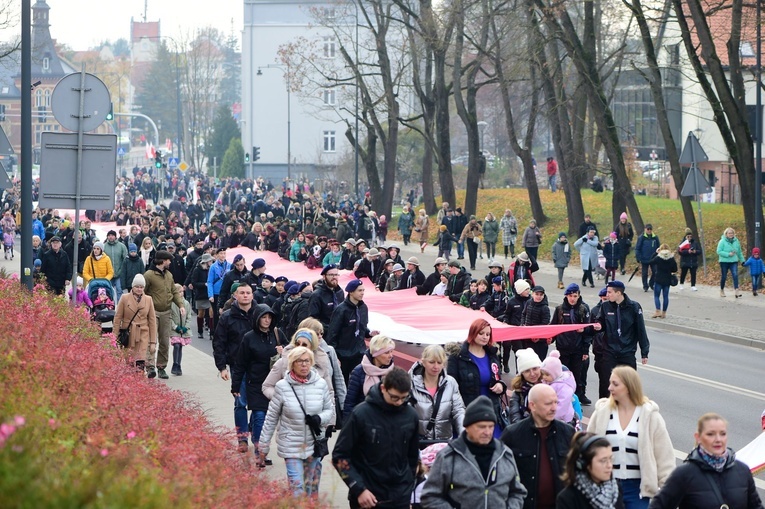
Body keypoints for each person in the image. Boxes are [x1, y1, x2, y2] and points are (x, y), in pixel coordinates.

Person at [587, 365, 675, 509]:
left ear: (629, 387)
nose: (609, 388)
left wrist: (668, 491)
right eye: (610, 383)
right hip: (605, 485)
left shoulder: (650, 416)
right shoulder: (602, 413)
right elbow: (587, 448)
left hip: (638, 489)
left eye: (615, 384)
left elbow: (664, 457)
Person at [332, 367, 420, 509]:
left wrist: (408, 486)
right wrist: (358, 489)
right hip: (367, 497)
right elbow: (340, 456)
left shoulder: (411, 416)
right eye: (394, 397)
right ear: (383, 388)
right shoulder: (361, 414)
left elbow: (412, 457)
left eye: (404, 398)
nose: (399, 402)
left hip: (400, 497)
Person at [420, 395, 527, 508]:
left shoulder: (505, 454)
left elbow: (517, 492)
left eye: (491, 427)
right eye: (481, 427)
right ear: (467, 427)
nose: (487, 432)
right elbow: (430, 496)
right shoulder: (448, 456)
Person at [256, 346, 334, 497]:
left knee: (309, 487)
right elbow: (271, 418)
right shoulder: (282, 387)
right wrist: (263, 448)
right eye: (299, 361)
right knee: (297, 488)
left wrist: (319, 418)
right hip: (291, 445)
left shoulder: (320, 384)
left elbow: (329, 410)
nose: (304, 365)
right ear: (292, 364)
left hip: (313, 444)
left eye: (307, 361)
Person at [649, 413, 764, 509]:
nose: (718, 439)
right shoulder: (684, 474)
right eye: (711, 434)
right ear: (698, 437)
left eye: (722, 434)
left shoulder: (742, 471)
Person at [501, 384, 576, 509]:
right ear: (532, 405)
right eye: (548, 404)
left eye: (555, 402)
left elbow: (578, 472)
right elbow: (500, 475)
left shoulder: (567, 432)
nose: (554, 408)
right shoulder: (513, 434)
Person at [231, 304, 284, 465]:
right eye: (264, 317)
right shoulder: (249, 338)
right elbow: (240, 363)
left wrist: (284, 352)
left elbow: (293, 354)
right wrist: (236, 386)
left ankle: (257, 441)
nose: (267, 321)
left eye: (269, 317)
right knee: (260, 416)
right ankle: (260, 453)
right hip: (255, 383)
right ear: (257, 318)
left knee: (265, 418)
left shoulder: (277, 334)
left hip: (275, 383)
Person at [214, 283, 258, 453]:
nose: (245, 296)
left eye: (248, 293)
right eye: (242, 293)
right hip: (237, 366)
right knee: (240, 402)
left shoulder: (261, 313)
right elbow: (219, 342)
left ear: (252, 295)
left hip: (259, 366)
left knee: (260, 405)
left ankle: (253, 428)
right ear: (235, 296)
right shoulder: (227, 317)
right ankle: (242, 439)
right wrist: (222, 367)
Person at [447, 318, 507, 438]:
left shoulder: (492, 354)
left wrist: (501, 385)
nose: (485, 337)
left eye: (488, 334)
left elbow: (497, 377)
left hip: (491, 410)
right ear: (473, 332)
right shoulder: (457, 356)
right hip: (468, 411)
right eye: (481, 333)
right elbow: (451, 385)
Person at [592, 281, 649, 399]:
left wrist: (644, 351)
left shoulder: (633, 307)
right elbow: (600, 321)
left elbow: (641, 330)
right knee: (606, 384)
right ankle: (605, 410)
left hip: (627, 352)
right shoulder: (605, 306)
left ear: (618, 293)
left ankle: (627, 410)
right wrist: (598, 326)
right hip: (609, 352)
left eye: (610, 292)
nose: (607, 295)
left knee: (628, 384)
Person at [143, 250, 186, 380]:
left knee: (164, 341)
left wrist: (181, 305)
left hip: (166, 312)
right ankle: (150, 366)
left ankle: (161, 367)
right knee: (152, 340)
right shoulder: (149, 275)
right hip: (152, 312)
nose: (170, 262)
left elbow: (174, 291)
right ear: (162, 261)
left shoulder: (169, 275)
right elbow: (142, 292)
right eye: (168, 260)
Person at [409, 344, 465, 442]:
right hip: (419, 443)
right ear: (423, 362)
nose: (436, 366)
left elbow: (458, 411)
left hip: (444, 442)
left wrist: (464, 432)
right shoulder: (411, 383)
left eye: (439, 362)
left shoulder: (451, 383)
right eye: (431, 362)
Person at [557, 433, 625, 509]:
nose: (609, 465)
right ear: (585, 464)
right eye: (603, 461)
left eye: (611, 459)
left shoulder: (615, 489)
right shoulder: (568, 498)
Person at [551, 283, 593, 405]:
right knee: (563, 375)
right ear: (566, 296)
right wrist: (550, 338)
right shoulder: (559, 309)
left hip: (578, 348)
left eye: (575, 296)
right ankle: (563, 397)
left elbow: (588, 331)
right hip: (563, 347)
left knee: (577, 375)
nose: (572, 298)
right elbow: (554, 326)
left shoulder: (583, 309)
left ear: (579, 296)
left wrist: (585, 349)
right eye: (570, 296)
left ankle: (578, 397)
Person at [327, 279, 374, 384]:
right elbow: (332, 333)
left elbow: (361, 327)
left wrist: (369, 333)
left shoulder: (363, 308)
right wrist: (334, 356)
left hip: (359, 353)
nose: (362, 293)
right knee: (343, 382)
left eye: (363, 290)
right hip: (343, 354)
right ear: (351, 292)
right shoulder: (341, 310)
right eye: (359, 290)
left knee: (358, 382)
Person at [343, 334, 396, 416]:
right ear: (376, 353)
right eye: (386, 352)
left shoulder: (394, 372)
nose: (391, 356)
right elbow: (350, 403)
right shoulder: (359, 371)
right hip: (363, 421)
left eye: (391, 351)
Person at [114, 273, 157, 373]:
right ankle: (131, 383)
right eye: (137, 286)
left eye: (141, 287)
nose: (139, 289)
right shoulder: (124, 298)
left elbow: (152, 321)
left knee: (140, 361)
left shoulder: (148, 299)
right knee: (129, 362)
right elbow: (117, 318)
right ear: (132, 287)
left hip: (143, 334)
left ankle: (140, 381)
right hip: (128, 334)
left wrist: (153, 342)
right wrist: (114, 337)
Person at [506, 347, 543, 424]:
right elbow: (515, 416)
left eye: (535, 368)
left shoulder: (550, 385)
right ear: (522, 373)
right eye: (527, 371)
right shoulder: (518, 392)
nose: (532, 374)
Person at [502, 279, 532, 372]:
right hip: (516, 332)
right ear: (520, 291)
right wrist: (505, 322)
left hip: (527, 332)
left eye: (528, 289)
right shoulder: (512, 302)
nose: (528, 291)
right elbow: (507, 315)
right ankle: (518, 372)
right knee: (519, 353)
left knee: (527, 353)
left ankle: (525, 372)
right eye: (526, 289)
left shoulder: (531, 301)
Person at [541, 350, 576, 423]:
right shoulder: (549, 382)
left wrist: (552, 417)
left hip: (562, 419)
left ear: (555, 374)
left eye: (547, 375)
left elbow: (562, 405)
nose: (544, 377)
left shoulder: (563, 386)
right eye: (542, 374)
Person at [308, 264, 344, 334]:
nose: (334, 277)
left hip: (340, 333)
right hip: (325, 333)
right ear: (324, 276)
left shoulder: (340, 292)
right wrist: (331, 328)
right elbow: (313, 319)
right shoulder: (317, 295)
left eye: (336, 275)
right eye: (331, 275)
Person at [521, 285, 551, 362]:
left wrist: (538, 336)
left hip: (539, 341)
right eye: (537, 294)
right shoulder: (528, 303)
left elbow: (545, 323)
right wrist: (522, 325)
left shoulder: (545, 308)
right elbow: (524, 314)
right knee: (527, 361)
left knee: (538, 362)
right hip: (528, 338)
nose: (539, 296)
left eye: (541, 295)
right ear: (532, 294)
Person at [648, 243, 677, 319]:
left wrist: (655, 253)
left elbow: (650, 261)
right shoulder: (671, 258)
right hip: (667, 279)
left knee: (656, 295)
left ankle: (658, 311)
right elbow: (675, 269)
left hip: (658, 279)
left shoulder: (658, 257)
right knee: (665, 296)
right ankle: (664, 313)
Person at [169, 283, 193, 376]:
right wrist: (175, 327)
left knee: (180, 347)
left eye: (182, 292)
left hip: (184, 329)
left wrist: (186, 327)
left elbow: (189, 316)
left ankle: (179, 364)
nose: (181, 294)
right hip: (175, 329)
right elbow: (169, 317)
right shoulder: (171, 303)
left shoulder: (186, 303)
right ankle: (175, 364)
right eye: (179, 292)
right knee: (176, 345)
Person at [189, 253, 214, 338]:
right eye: (210, 261)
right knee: (201, 313)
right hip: (201, 294)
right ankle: (200, 330)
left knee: (211, 313)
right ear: (206, 262)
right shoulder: (197, 270)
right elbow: (194, 282)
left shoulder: (211, 269)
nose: (211, 262)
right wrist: (204, 284)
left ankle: (211, 332)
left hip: (210, 294)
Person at [717, 227, 745, 298]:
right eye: (729, 233)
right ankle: (722, 290)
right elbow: (719, 251)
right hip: (724, 261)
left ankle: (736, 290)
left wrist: (742, 260)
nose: (731, 234)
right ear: (726, 234)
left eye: (732, 233)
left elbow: (739, 252)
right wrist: (728, 254)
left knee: (735, 275)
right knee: (724, 276)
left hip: (734, 261)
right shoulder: (722, 241)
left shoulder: (736, 241)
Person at [635, 225, 660, 292]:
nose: (649, 230)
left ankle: (651, 283)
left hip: (653, 258)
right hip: (644, 258)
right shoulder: (641, 238)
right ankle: (645, 286)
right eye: (648, 229)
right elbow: (637, 248)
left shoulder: (655, 237)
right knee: (644, 273)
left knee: (655, 271)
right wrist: (638, 257)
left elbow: (658, 247)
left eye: (650, 229)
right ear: (645, 229)